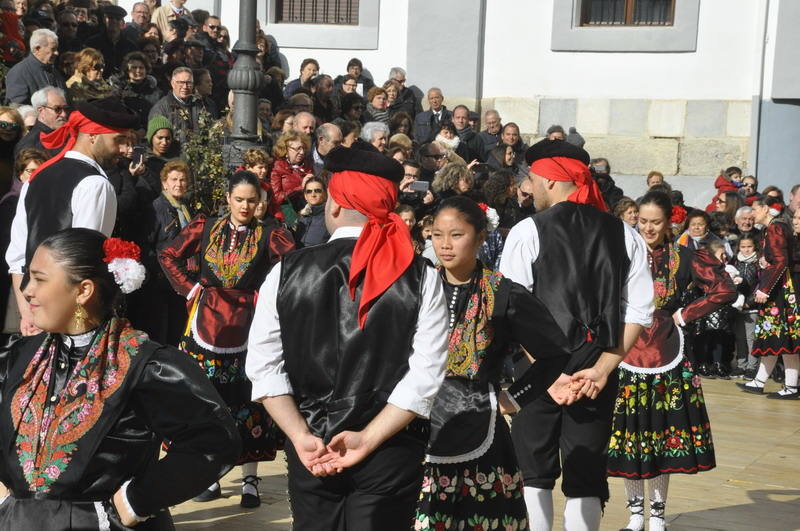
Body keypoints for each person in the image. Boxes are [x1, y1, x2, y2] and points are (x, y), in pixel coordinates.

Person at [246, 143, 449, 530]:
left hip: (312, 444)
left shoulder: (285, 271)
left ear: (335, 205)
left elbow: (264, 369)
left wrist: (300, 435)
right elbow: (426, 378)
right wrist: (369, 438)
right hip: (391, 444)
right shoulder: (422, 276)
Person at [0, 228, 239, 528]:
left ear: (83, 291)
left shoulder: (143, 364)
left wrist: (134, 501)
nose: (26, 290)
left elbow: (213, 440)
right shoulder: (21, 355)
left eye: (40, 279)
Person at [415, 196, 602, 530]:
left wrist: (514, 397)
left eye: (456, 235)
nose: (445, 245)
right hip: (415, 422)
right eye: (437, 235)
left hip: (481, 425)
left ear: (481, 237)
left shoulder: (503, 294)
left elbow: (553, 354)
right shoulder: (416, 286)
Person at [498, 139, 654, 531]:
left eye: (531, 178)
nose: (527, 188)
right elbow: (639, 310)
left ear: (551, 180)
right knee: (586, 470)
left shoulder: (526, 231)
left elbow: (512, 311)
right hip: (594, 373)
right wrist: (602, 369)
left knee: (533, 469)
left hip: (537, 371)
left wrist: (549, 374)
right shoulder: (625, 234)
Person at [160, 171, 295, 507]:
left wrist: (269, 298)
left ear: (260, 202)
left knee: (249, 401)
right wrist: (192, 289)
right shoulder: (206, 227)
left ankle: (250, 479)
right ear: (228, 199)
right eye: (239, 199)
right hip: (205, 321)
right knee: (207, 399)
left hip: (250, 324)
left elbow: (295, 266)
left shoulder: (270, 234)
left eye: (251, 200)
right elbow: (168, 254)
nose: (245, 206)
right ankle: (211, 473)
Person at [608, 191, 735, 531]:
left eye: (655, 222)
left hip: (667, 351)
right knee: (631, 434)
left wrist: (684, 313)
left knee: (661, 433)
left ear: (669, 223)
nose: (647, 227)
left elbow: (725, 288)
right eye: (642, 220)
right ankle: (635, 514)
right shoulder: (622, 254)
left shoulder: (685, 256)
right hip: (626, 349)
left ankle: (658, 516)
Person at [6, 97, 138, 338]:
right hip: (71, 319)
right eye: (118, 140)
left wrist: (28, 312)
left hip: (34, 307)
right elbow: (85, 265)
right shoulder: (96, 184)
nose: (123, 149)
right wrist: (79, 328)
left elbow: (16, 258)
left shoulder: (36, 178)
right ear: (93, 135)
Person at [739, 196, 800, 399]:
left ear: (765, 209)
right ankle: (759, 381)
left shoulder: (776, 228)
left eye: (754, 210)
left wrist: (764, 288)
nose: (751, 215)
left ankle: (791, 387)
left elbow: (782, 262)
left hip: (782, 291)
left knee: (784, 337)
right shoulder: (771, 228)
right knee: (774, 336)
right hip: (778, 288)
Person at [136, 160, 192, 346]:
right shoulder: (157, 208)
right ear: (164, 183)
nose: (179, 184)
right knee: (162, 331)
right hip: (162, 281)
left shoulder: (185, 207)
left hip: (180, 279)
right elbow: (147, 243)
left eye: (183, 180)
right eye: (174, 179)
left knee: (177, 328)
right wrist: (156, 271)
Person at [4, 28, 65, 104]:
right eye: (53, 49)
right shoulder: (19, 73)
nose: (57, 53)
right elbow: (17, 108)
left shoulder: (55, 72)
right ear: (37, 49)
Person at [731, 235, 760, 379]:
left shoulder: (758, 263)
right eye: (743, 247)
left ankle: (752, 367)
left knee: (751, 338)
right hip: (737, 306)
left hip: (751, 307)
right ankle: (741, 365)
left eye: (749, 246)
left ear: (755, 247)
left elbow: (760, 285)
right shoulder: (735, 262)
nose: (746, 250)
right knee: (740, 337)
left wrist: (750, 302)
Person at [269, 131, 313, 220]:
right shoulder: (277, 166)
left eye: (303, 148)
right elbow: (276, 198)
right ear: (285, 149)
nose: (302, 152)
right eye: (298, 149)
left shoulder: (307, 165)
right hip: (286, 214)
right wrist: (301, 187)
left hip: (308, 211)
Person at [85, 5, 138, 77]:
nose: (114, 21)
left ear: (122, 22)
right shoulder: (92, 43)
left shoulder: (131, 46)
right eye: (110, 18)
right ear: (104, 19)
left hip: (124, 85)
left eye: (118, 19)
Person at [295, 177, 329, 247]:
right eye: (309, 191)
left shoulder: (330, 218)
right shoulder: (301, 217)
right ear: (305, 196)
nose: (313, 194)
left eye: (317, 191)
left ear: (325, 194)